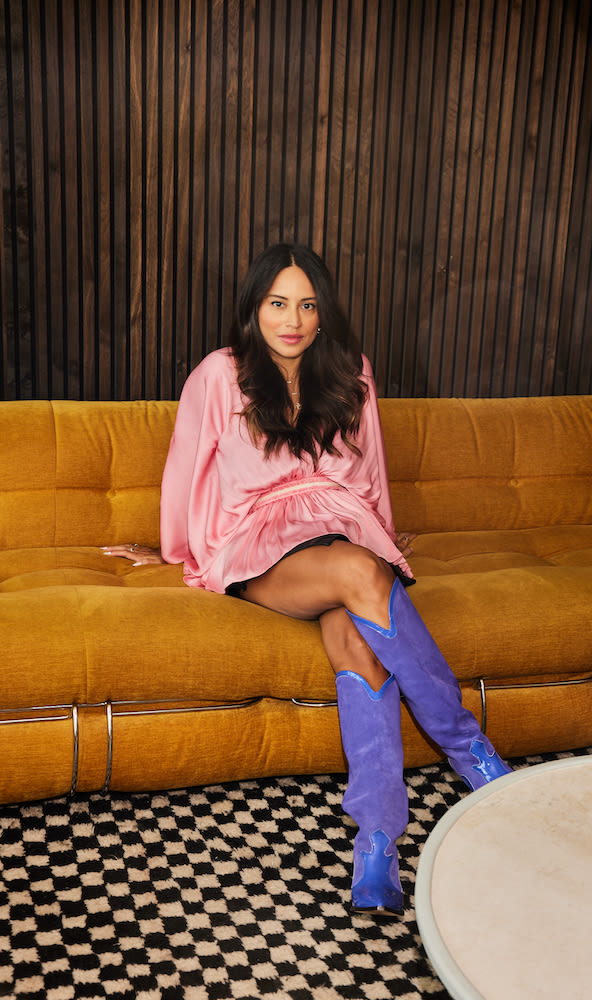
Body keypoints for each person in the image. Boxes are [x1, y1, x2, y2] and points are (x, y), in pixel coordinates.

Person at [104, 243, 511, 918]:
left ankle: (376, 842)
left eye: (306, 305)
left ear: (323, 313)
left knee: (356, 638)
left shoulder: (351, 371)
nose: (291, 320)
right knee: (359, 572)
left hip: (343, 526)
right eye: (277, 303)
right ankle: (475, 755)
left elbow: (370, 468)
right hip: (259, 539)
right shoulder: (221, 374)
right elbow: (185, 469)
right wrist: (178, 554)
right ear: (254, 309)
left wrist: (383, 534)